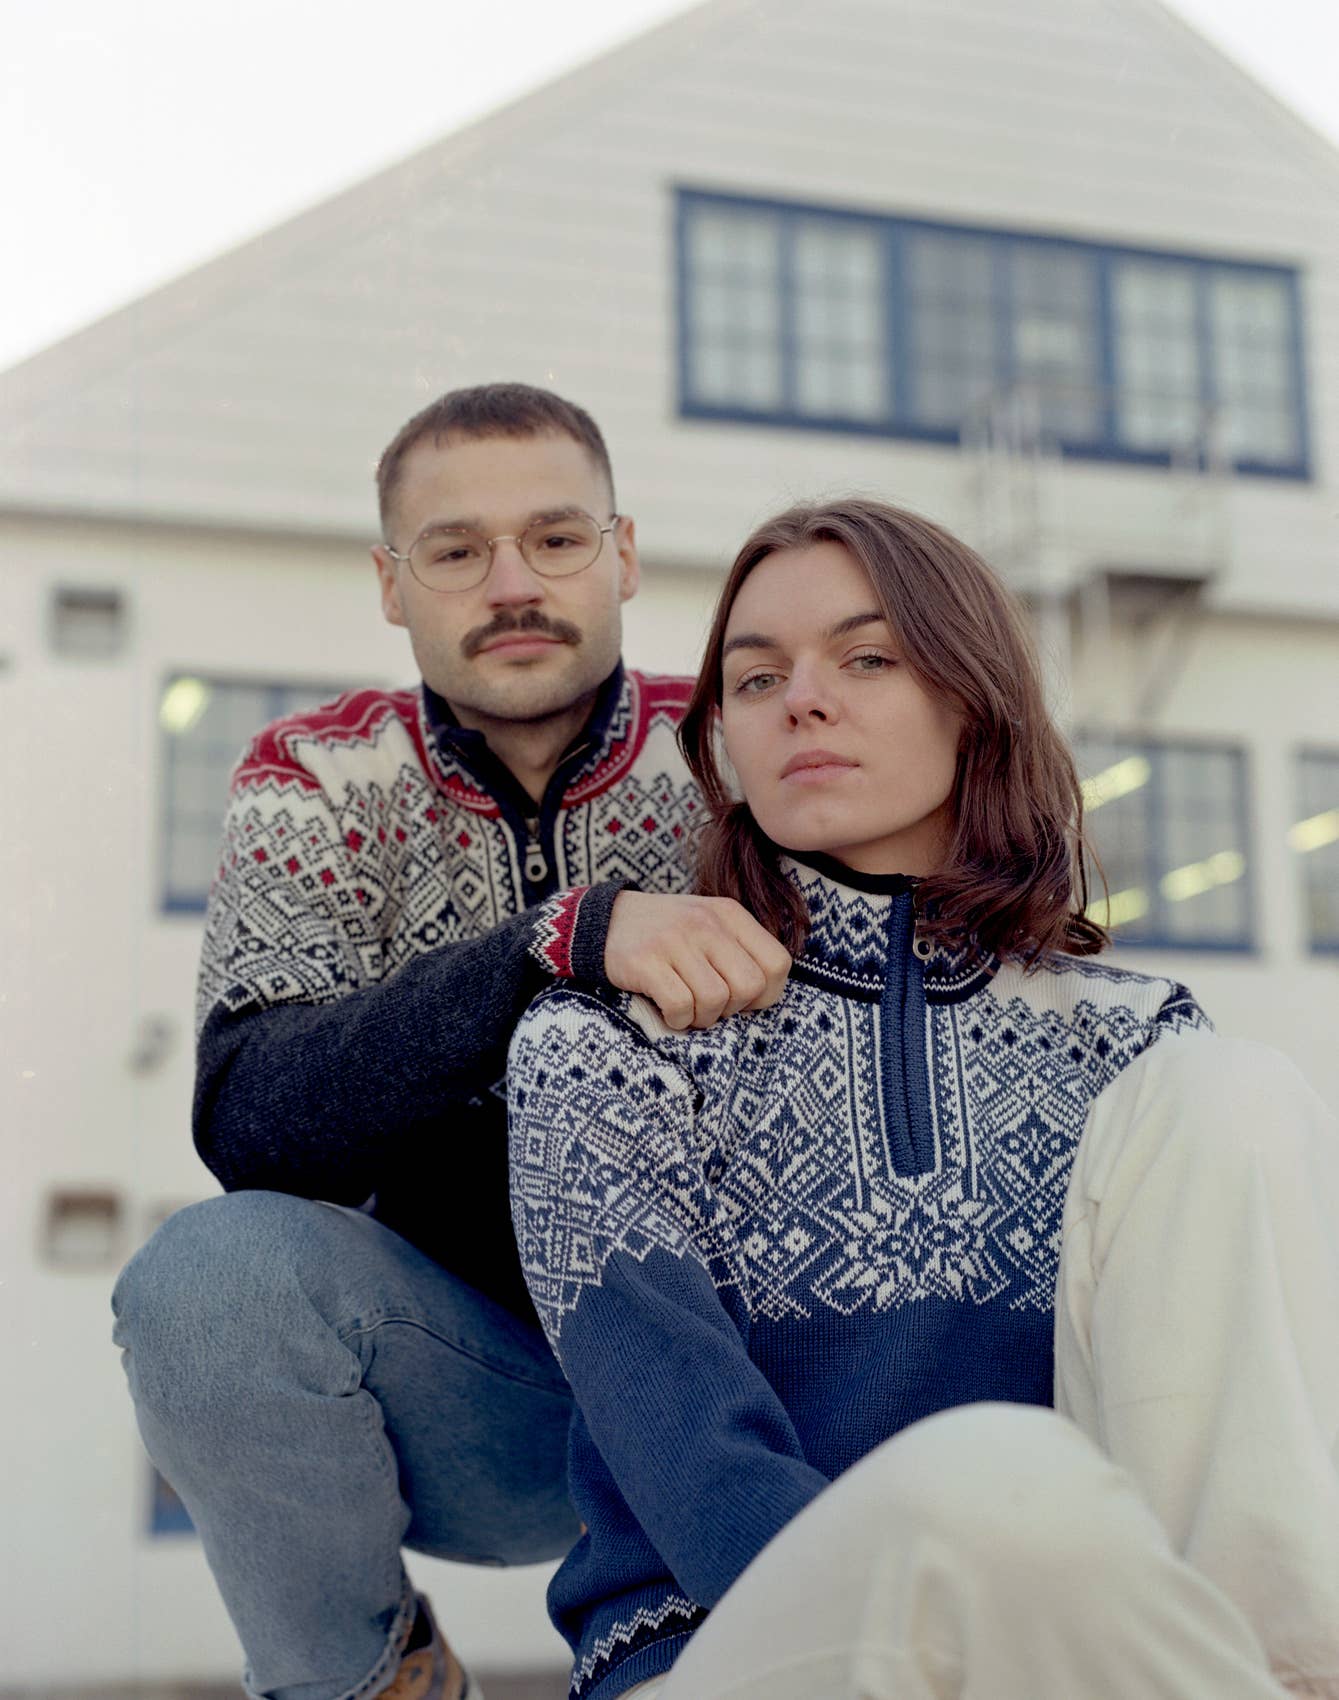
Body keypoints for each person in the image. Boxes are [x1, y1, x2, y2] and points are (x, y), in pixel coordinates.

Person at [506, 497, 1339, 1700]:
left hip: (1092, 1654)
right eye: (754, 677)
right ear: (725, 744)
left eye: (866, 657)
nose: (801, 698)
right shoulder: (607, 1041)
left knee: (1234, 1090)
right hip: (736, 1653)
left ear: (970, 696)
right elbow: (693, 1468)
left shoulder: (1137, 1040)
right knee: (994, 1473)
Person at [111, 383, 792, 1700]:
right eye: (455, 550)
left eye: (553, 538)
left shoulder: (739, 748)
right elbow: (251, 1116)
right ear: (390, 582)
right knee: (209, 1279)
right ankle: (372, 1684)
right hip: (484, 1401)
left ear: (624, 553)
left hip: (749, 1388)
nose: (511, 584)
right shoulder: (313, 776)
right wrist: (549, 945)